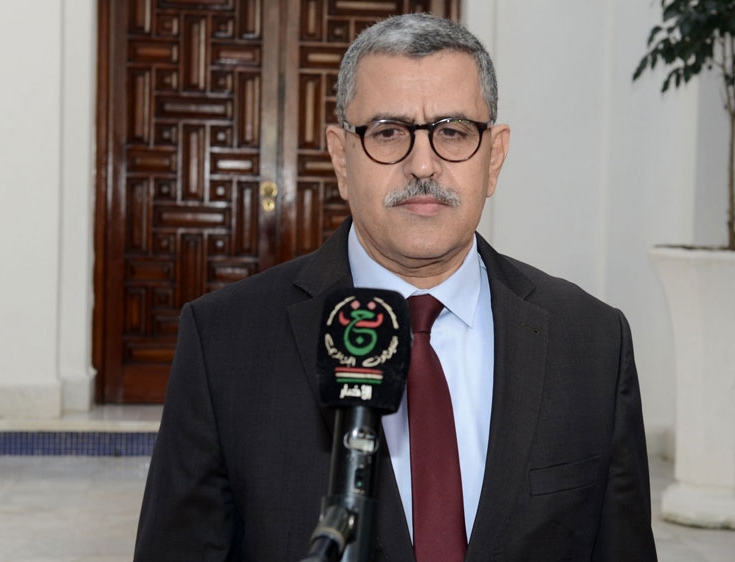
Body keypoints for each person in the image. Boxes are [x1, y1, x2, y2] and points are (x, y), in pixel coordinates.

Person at [134, 13, 657, 562]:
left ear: (495, 157)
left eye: (453, 131)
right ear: (341, 157)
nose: (422, 164)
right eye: (388, 133)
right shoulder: (225, 342)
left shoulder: (592, 343)